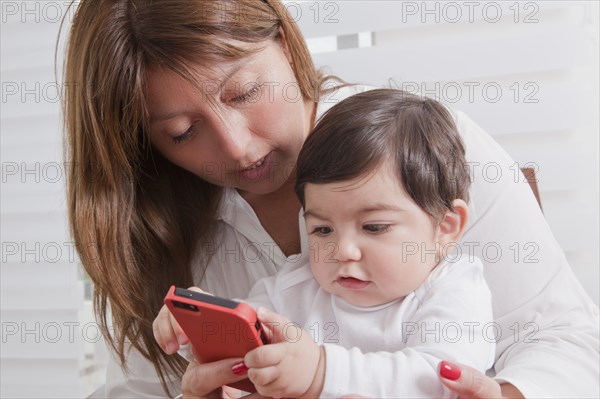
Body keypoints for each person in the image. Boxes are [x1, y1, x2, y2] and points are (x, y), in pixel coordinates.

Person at [61, 0, 599, 398]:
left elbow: (567, 340)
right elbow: (137, 387)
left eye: (246, 93)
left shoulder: (418, 145)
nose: (237, 146)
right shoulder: (161, 225)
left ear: (285, 43)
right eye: (181, 132)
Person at [154, 89, 497, 398]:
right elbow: (246, 337)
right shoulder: (296, 286)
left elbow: (438, 382)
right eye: (322, 230)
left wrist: (320, 371)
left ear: (446, 228)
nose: (343, 251)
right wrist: (198, 325)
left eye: (374, 227)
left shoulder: (454, 289)